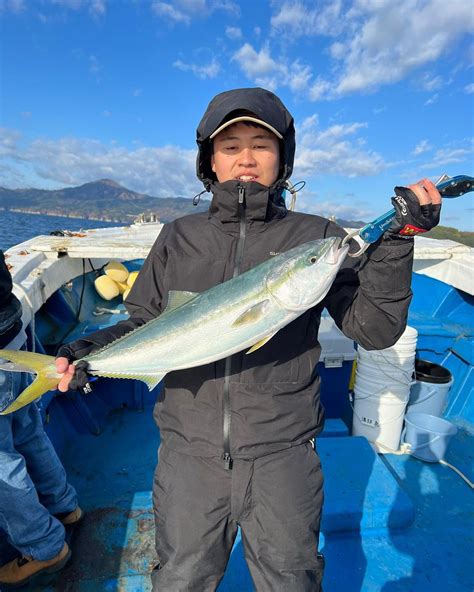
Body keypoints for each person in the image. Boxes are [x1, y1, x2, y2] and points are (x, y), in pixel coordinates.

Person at [55, 87, 441, 591]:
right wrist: (89, 353)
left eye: (261, 144)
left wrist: (397, 241)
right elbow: (144, 322)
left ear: (283, 158)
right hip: (188, 456)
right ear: (209, 161)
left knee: (290, 580)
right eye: (230, 145)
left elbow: (375, 329)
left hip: (284, 454)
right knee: (180, 579)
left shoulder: (314, 237)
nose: (246, 158)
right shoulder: (178, 236)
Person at [0, 250, 83, 589]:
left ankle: (45, 547)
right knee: (27, 431)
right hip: (12, 330)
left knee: (2, 463)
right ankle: (64, 507)